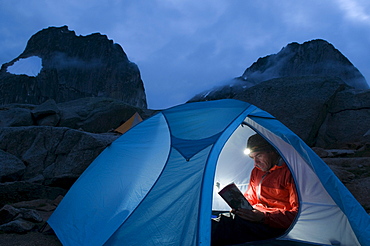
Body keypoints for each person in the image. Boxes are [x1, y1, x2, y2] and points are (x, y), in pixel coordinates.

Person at [211, 134, 299, 245]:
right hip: (255, 217)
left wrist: (264, 218)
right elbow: (251, 198)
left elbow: (298, 215)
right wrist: (240, 208)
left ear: (272, 152)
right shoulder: (257, 171)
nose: (255, 162)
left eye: (259, 156)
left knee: (224, 228)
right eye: (252, 158)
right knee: (218, 222)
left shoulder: (291, 173)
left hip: (274, 225)